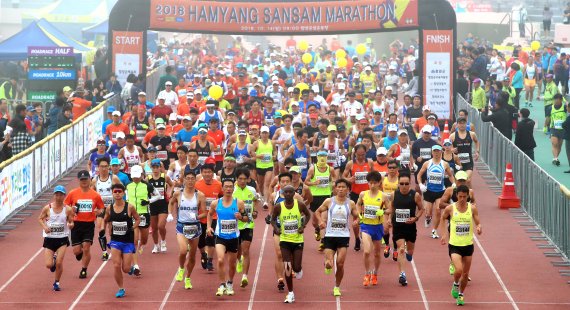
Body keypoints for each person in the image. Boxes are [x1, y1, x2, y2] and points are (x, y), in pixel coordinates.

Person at [314, 179, 359, 297]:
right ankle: (327, 264)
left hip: (344, 236)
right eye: (338, 187)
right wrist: (320, 222)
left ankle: (337, 287)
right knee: (330, 263)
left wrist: (356, 221)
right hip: (330, 235)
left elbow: (357, 216)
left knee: (340, 263)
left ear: (348, 189)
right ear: (335, 189)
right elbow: (317, 212)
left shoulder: (351, 203)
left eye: (343, 187)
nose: (340, 189)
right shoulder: (329, 201)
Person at [440, 185, 482, 306]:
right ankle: (455, 284)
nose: (462, 199)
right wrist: (443, 235)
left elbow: (478, 222)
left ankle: (461, 295)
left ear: (468, 196)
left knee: (465, 274)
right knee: (458, 270)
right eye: (460, 196)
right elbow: (443, 219)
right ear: (456, 196)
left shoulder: (472, 208)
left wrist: (479, 227)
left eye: (464, 196)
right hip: (455, 245)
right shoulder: (450, 208)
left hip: (468, 245)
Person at [271, 184, 311, 303]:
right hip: (284, 240)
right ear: (283, 193)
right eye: (286, 192)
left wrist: (303, 225)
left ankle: (298, 269)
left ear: (294, 194)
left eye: (290, 192)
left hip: (298, 240)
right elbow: (272, 219)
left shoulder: (300, 205)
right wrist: (276, 229)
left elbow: (308, 215)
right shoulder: (278, 207)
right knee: (287, 267)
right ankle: (291, 293)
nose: (288, 194)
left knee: (296, 267)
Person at [207, 179, 248, 297]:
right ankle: (222, 284)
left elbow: (246, 218)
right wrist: (208, 227)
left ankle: (230, 282)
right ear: (223, 189)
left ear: (233, 189)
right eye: (226, 187)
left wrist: (240, 217)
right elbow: (210, 214)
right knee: (220, 260)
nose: (229, 189)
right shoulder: (216, 203)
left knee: (232, 263)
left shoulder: (239, 203)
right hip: (220, 236)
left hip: (234, 237)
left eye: (231, 187)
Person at [168, 169, 206, 289]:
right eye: (187, 178)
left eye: (192, 179)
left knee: (193, 256)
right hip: (181, 226)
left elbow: (205, 213)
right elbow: (171, 202)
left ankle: (188, 277)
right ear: (184, 180)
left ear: (195, 180)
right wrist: (169, 213)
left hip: (195, 227)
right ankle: (181, 268)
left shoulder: (200, 195)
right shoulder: (178, 193)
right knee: (183, 251)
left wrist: (196, 216)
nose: (190, 181)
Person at [64, 170, 105, 279]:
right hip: (76, 225)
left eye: (86, 179)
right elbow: (65, 206)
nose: (84, 181)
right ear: (79, 180)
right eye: (82, 179)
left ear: (89, 179)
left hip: (88, 224)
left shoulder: (95, 195)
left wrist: (98, 212)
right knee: (77, 251)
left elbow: (101, 208)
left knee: (86, 247)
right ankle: (79, 254)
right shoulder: (73, 193)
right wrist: (70, 210)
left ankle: (84, 269)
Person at [104, 183, 140, 298]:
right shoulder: (109, 208)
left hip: (127, 241)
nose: (118, 193)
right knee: (116, 265)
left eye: (120, 191)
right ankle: (121, 288)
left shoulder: (130, 207)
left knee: (125, 268)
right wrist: (106, 228)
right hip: (115, 241)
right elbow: (106, 219)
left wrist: (133, 227)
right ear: (113, 194)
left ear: (124, 193)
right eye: (115, 191)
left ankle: (130, 269)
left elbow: (138, 219)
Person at [389, 172, 423, 286]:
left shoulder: (415, 195)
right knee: (401, 249)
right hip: (398, 226)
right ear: (398, 184)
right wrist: (389, 219)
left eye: (406, 184)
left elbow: (421, 209)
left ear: (410, 184)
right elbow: (391, 207)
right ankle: (402, 274)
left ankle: (410, 254)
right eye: (401, 184)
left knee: (409, 251)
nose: (404, 186)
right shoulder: (394, 194)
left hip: (410, 227)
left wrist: (416, 218)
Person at [38, 185, 74, 291]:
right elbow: (40, 218)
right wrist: (45, 227)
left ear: (64, 196)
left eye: (61, 195)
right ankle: (53, 259)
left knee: (59, 262)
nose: (59, 197)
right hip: (49, 239)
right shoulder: (47, 208)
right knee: (49, 265)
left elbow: (71, 221)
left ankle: (56, 282)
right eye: (57, 195)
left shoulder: (67, 209)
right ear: (54, 195)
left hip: (62, 239)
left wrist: (71, 224)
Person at [126, 165, 159, 275]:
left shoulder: (147, 185)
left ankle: (141, 244)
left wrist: (148, 201)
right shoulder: (128, 186)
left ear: (141, 175)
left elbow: (158, 196)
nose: (135, 179)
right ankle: (135, 265)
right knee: (134, 241)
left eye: (137, 176)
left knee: (144, 239)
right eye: (133, 177)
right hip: (132, 216)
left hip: (144, 215)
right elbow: (126, 199)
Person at [356, 171, 388, 287]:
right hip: (366, 226)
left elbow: (390, 209)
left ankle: (375, 273)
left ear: (379, 183)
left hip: (378, 227)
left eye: (375, 183)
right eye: (370, 183)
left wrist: (383, 211)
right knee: (366, 251)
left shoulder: (383, 196)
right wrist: (359, 215)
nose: (372, 185)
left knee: (377, 254)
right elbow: (358, 204)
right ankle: (366, 273)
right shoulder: (363, 194)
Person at [416, 145, 455, 238]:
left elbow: (450, 175)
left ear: (441, 152)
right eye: (435, 151)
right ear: (432, 152)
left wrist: (454, 183)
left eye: (438, 151)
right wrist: (421, 184)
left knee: (438, 210)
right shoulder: (427, 163)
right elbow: (419, 175)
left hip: (440, 191)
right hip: (428, 191)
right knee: (428, 212)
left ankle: (434, 230)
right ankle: (428, 217)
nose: (436, 153)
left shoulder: (445, 164)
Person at [233, 168, 259, 287]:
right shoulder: (232, 191)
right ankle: (239, 260)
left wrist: (255, 211)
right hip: (235, 225)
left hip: (248, 224)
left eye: (244, 179)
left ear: (248, 179)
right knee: (237, 250)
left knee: (245, 250)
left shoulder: (252, 190)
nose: (242, 181)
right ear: (236, 179)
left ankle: (244, 276)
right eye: (240, 179)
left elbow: (255, 201)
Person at [91, 157, 121, 261]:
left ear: (108, 167)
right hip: (101, 209)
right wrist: (94, 208)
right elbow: (92, 195)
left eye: (105, 166)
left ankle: (115, 247)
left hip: (112, 208)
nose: (103, 169)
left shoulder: (114, 178)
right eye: (101, 166)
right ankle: (104, 252)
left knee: (112, 230)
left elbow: (121, 189)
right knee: (101, 228)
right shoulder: (95, 180)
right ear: (98, 168)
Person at [195, 159, 222, 271]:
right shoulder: (197, 185)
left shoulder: (218, 184)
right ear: (201, 173)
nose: (207, 174)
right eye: (205, 172)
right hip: (200, 217)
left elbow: (222, 197)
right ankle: (203, 255)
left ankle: (210, 260)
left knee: (211, 239)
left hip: (213, 216)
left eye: (209, 172)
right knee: (200, 241)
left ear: (213, 173)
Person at [147, 159, 174, 254]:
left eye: (157, 167)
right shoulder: (148, 179)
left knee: (161, 226)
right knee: (154, 228)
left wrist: (169, 192)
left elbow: (172, 184)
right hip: (152, 205)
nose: (155, 169)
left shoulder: (164, 177)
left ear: (160, 167)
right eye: (153, 167)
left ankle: (163, 242)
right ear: (151, 168)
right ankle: (156, 245)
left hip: (163, 204)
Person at [449, 117, 479, 184]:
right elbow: (448, 149)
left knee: (467, 180)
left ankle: (469, 193)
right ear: (457, 125)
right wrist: (452, 150)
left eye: (463, 123)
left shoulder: (472, 134)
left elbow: (476, 142)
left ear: (466, 124)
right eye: (460, 123)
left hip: (468, 162)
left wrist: (477, 151)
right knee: (459, 182)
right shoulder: (452, 136)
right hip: (457, 163)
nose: (462, 125)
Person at [549, 94, 567, 166]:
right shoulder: (550, 108)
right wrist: (545, 126)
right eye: (555, 100)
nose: (556, 102)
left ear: (561, 100)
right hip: (554, 128)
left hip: (563, 129)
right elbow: (548, 117)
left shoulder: (565, 107)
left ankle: (556, 158)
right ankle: (555, 158)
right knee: (554, 143)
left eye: (558, 100)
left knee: (559, 145)